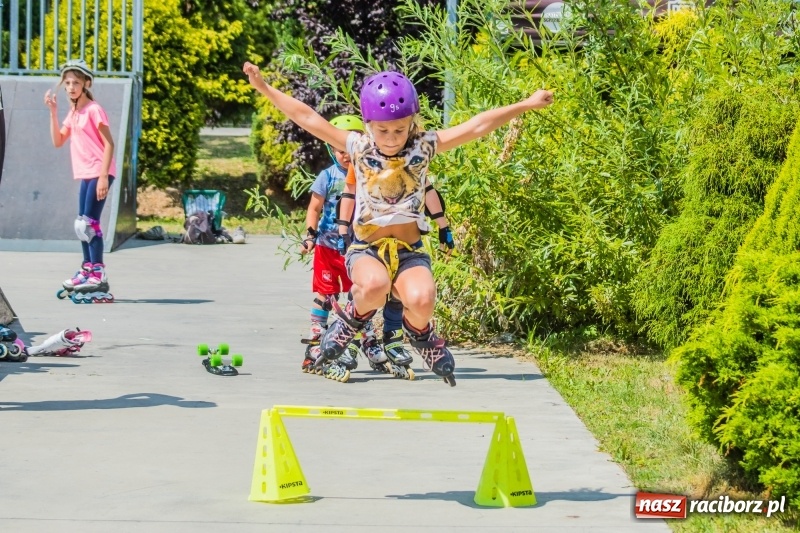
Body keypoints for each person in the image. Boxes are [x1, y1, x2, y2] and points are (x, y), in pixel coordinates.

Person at [243, 63, 553, 386]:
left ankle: (419, 333)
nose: (391, 139)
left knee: (423, 299)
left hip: (410, 251)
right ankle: (350, 321)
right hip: (366, 249)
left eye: (399, 130)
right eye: (382, 131)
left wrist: (525, 104)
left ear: (411, 123)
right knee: (374, 287)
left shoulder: (424, 146)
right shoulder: (358, 147)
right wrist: (264, 87)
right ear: (368, 125)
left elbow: (476, 127)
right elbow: (308, 118)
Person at [45, 59, 116, 304]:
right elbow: (58, 141)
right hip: (86, 173)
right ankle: (87, 269)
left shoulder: (94, 109)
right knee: (81, 225)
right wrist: (53, 113)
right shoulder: (73, 112)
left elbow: (109, 143)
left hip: (99, 171)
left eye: (76, 82)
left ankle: (97, 272)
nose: (72, 87)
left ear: (86, 83)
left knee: (89, 224)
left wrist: (104, 175)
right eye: (68, 83)